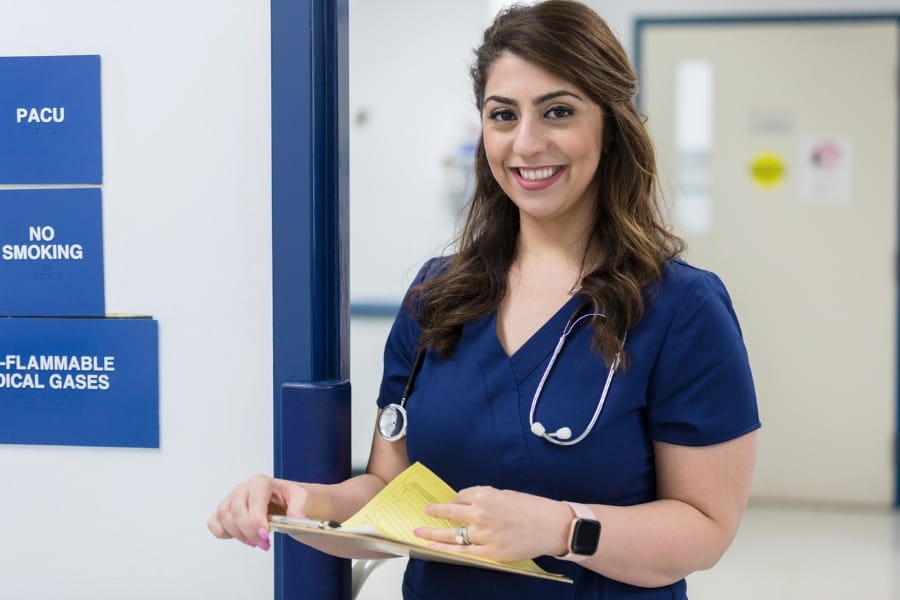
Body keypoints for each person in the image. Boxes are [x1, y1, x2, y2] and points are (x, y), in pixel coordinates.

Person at [208, 1, 760, 598]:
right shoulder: (437, 297)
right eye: (503, 115)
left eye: (558, 111)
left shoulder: (681, 308)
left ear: (611, 124)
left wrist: (561, 527)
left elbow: (705, 530)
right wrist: (299, 501)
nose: (526, 142)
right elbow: (387, 499)